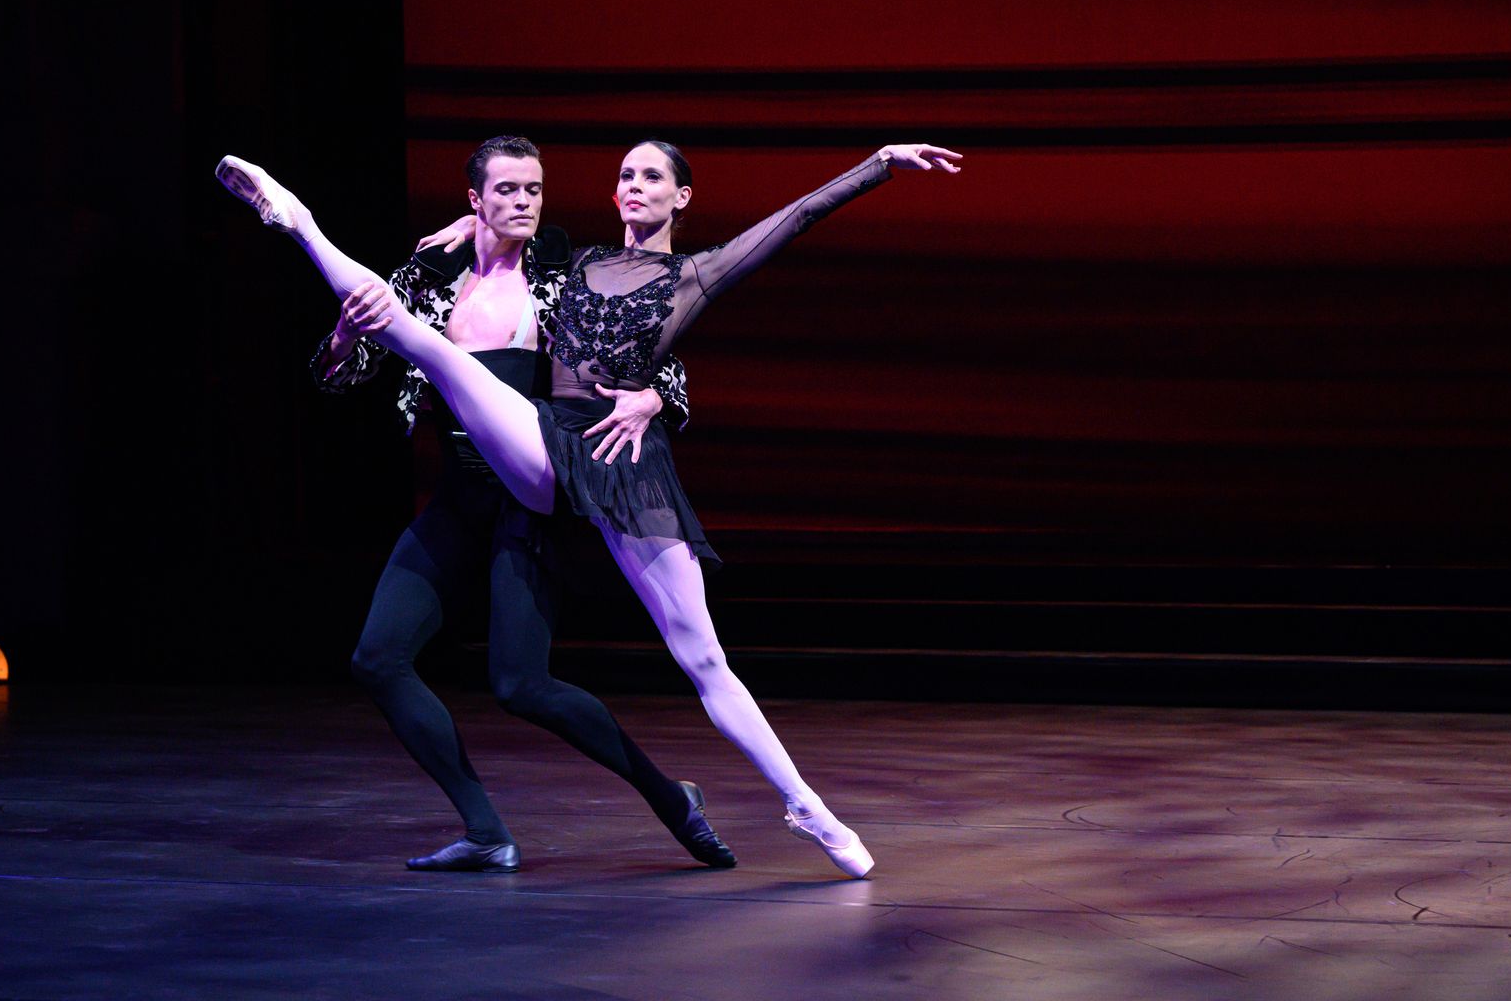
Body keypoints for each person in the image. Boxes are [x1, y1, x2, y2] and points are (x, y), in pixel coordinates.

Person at [218, 139, 962, 877]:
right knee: (434, 354)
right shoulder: (564, 266)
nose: (633, 186)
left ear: (682, 197)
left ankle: (804, 804)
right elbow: (487, 246)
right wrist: (456, 234)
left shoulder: (678, 274)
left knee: (700, 656)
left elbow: (792, 220)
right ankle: (300, 223)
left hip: (621, 468)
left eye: (651, 176)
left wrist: (877, 165)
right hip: (542, 447)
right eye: (625, 175)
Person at [317, 135, 733, 874]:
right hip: (454, 501)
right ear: (474, 200)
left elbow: (648, 345)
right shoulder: (424, 282)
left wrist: (655, 397)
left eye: (535, 190)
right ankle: (485, 830)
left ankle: (672, 798)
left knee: (522, 686)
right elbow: (342, 378)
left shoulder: (564, 279)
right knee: (378, 658)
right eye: (507, 191)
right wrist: (348, 334)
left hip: (528, 506)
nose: (525, 203)